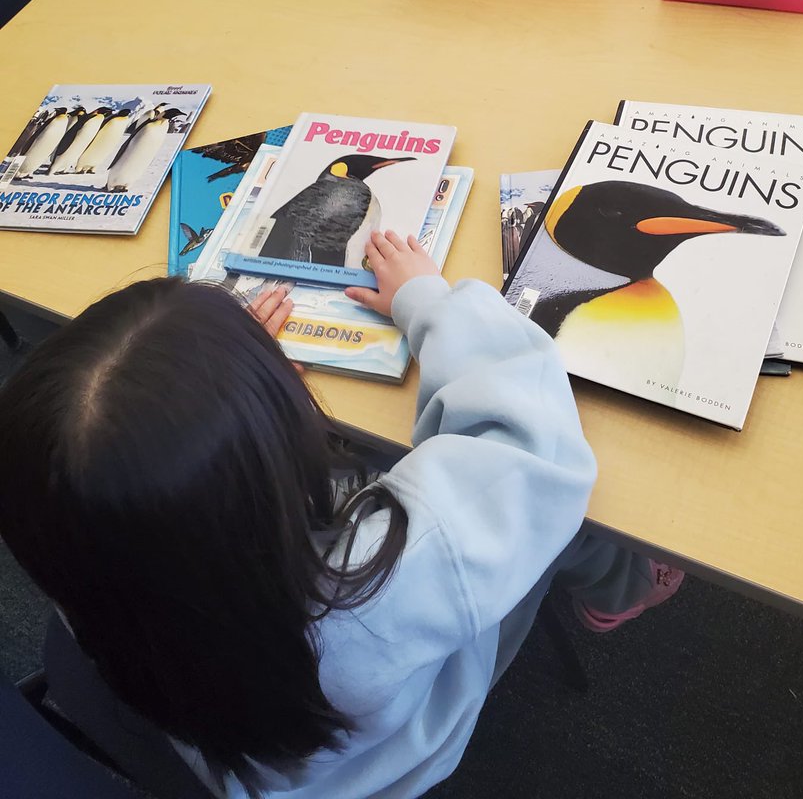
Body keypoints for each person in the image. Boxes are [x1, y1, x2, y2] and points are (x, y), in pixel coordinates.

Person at [0, 231, 680, 799]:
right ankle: (623, 591)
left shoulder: (89, 556)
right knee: (586, 513)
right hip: (406, 731)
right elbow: (529, 445)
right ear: (262, 474)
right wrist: (427, 301)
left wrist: (216, 406)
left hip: (243, 763)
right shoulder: (391, 578)